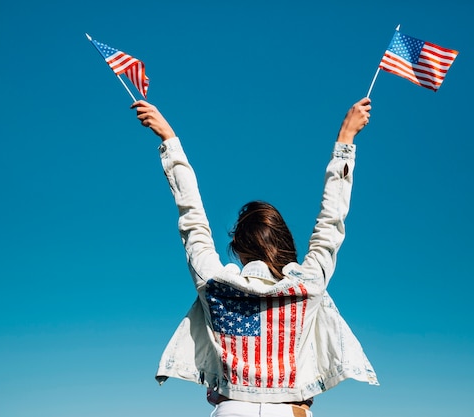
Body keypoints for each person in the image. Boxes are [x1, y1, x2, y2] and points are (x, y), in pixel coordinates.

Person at [131, 98, 378, 417]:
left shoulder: (214, 283)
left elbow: (191, 216)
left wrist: (169, 139)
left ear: (237, 246)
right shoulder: (308, 285)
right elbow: (331, 220)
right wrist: (346, 139)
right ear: (284, 244)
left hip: (231, 410)